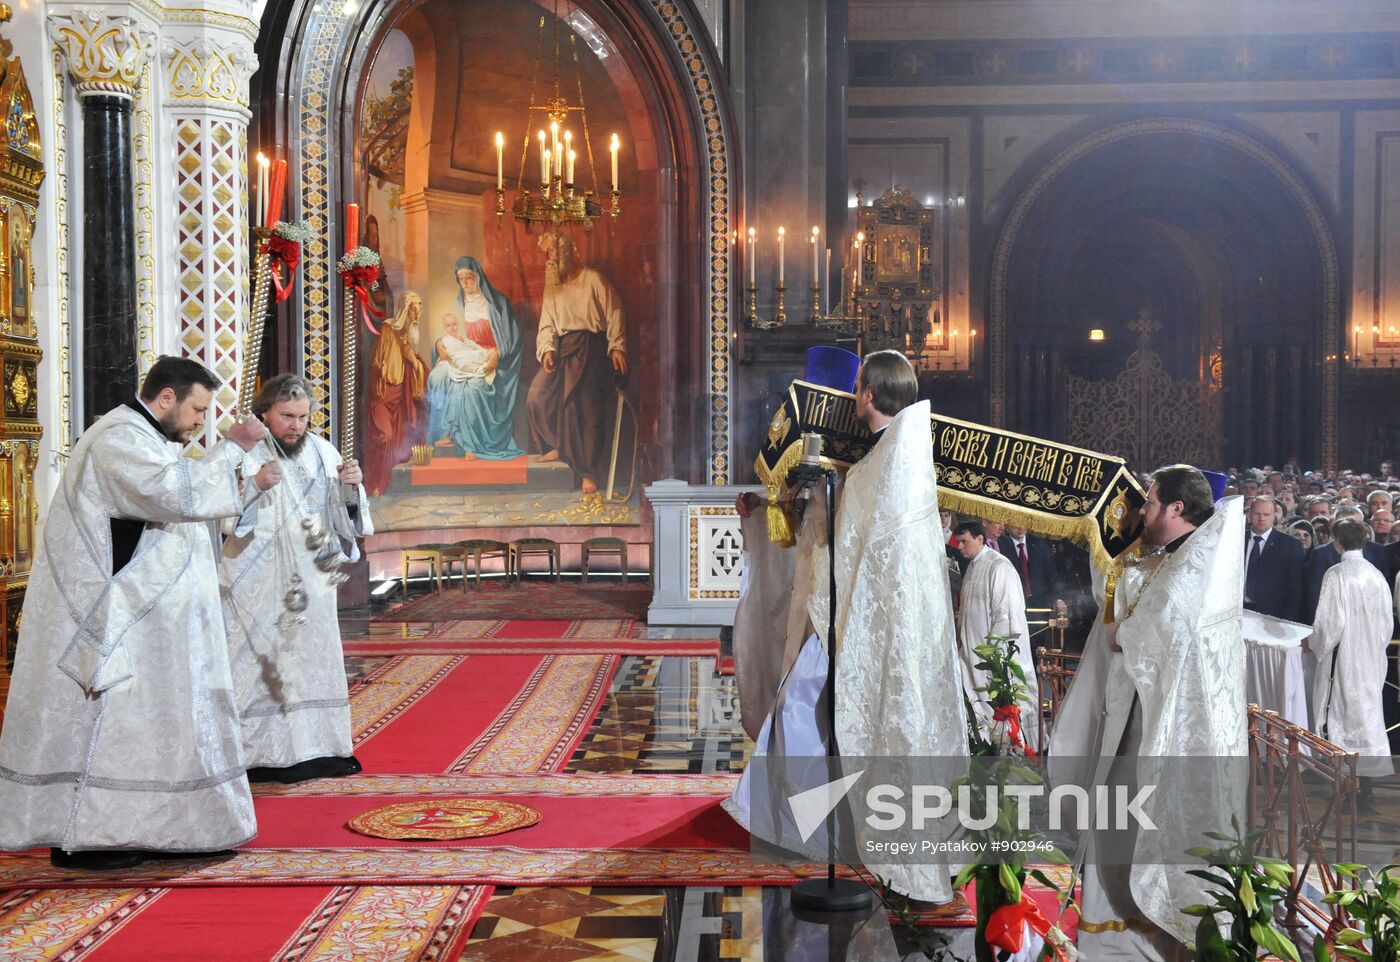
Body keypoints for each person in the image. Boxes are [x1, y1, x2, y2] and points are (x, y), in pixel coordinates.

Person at [0, 356, 276, 869]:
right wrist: (233, 447)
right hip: (113, 614)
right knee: (110, 725)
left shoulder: (146, 437)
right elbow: (173, 495)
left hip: (148, 615)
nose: (200, 421)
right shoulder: (118, 439)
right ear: (166, 397)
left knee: (153, 724)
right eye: (197, 409)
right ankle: (88, 837)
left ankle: (156, 828)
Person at [727, 350, 967, 909]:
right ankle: (808, 825)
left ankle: (809, 827)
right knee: (807, 713)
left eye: (858, 388)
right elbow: (835, 537)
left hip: (859, 623)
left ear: (867, 394)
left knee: (802, 709)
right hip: (843, 614)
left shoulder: (892, 461)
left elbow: (861, 548)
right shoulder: (889, 454)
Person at [1065, 465, 1246, 959]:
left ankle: (1174, 944)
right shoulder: (1177, 558)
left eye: (1149, 502)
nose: (1142, 511)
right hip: (1144, 718)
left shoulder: (1194, 566)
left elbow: (1160, 629)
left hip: (1167, 732)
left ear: (1176, 508)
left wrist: (1121, 633)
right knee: (1116, 834)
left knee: (1145, 839)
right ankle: (1148, 941)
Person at [221, 374, 371, 784]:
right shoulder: (245, 453)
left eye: (303, 417)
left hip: (309, 577)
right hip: (256, 577)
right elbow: (221, 514)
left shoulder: (323, 451)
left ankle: (315, 749)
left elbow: (345, 518)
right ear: (265, 413)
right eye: (287, 416)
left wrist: (351, 489)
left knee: (308, 660)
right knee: (257, 660)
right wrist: (254, 486)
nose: (296, 425)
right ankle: (255, 754)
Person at [526, 232, 627, 494]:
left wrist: (617, 346)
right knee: (536, 397)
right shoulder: (552, 286)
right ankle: (557, 446)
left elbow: (614, 311)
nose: (549, 259)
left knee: (586, 410)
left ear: (567, 252)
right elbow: (547, 323)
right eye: (546, 254)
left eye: (552, 252)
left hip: (591, 349)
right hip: (563, 350)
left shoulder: (593, 279)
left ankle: (587, 472)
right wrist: (547, 349)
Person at [1308, 519, 1394, 810]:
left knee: (1341, 719)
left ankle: (1346, 789)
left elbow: (1330, 623)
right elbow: (1387, 624)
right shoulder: (1376, 575)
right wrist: (1374, 650)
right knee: (1367, 719)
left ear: (1336, 542)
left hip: (1343, 660)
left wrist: (1316, 644)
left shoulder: (1337, 574)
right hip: (1371, 660)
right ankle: (1365, 789)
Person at [953, 520, 1040, 752]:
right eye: (958, 542)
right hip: (972, 654)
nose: (959, 547)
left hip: (994, 658)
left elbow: (1007, 615)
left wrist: (995, 658)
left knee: (1003, 714)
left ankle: (1012, 758)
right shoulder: (972, 567)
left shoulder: (999, 566)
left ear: (980, 539)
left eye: (964, 541)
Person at [425, 258, 524, 461]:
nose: (465, 283)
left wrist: (498, 353)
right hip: (462, 356)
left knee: (472, 389)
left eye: (468, 277)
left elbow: (513, 338)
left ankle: (472, 444)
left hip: (489, 359)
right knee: (437, 376)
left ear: (478, 277)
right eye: (460, 278)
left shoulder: (498, 303)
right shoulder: (457, 303)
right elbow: (446, 331)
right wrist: (438, 344)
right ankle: (445, 433)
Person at [365, 290, 428, 494]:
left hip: (400, 403)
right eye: (414, 310)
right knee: (385, 436)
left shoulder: (409, 338)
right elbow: (378, 361)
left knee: (398, 443)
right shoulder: (388, 329)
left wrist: (414, 362)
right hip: (383, 397)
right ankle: (375, 483)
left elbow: (421, 374)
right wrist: (382, 374)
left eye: (419, 311)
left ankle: (383, 486)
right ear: (406, 309)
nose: (417, 316)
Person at [1242, 495, 1305, 622]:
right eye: (1257, 514)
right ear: (1249, 514)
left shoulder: (1289, 545)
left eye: (1266, 514)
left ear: (1274, 515)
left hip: (1272, 617)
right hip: (1237, 612)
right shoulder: (1236, 540)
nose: (1261, 519)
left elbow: (1295, 589)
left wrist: (1287, 621)